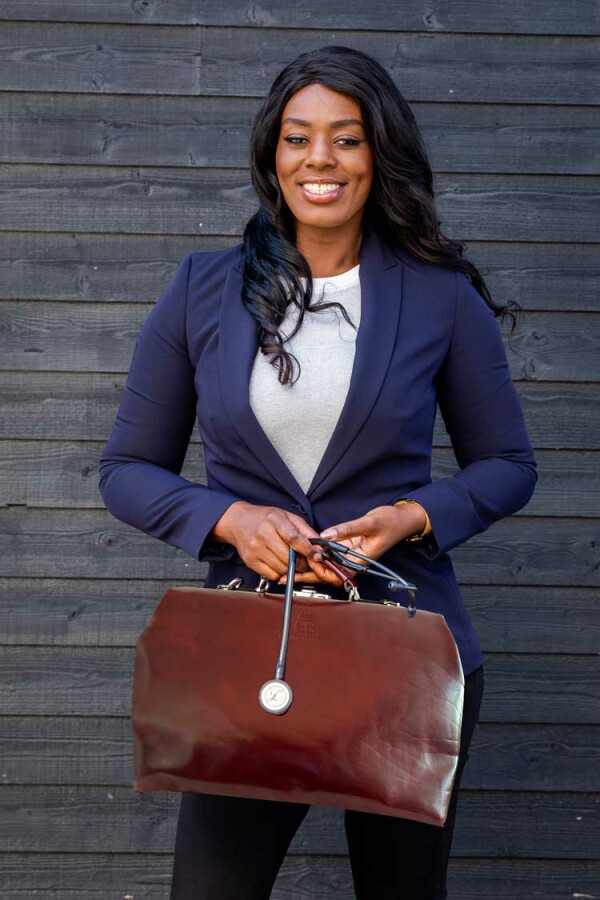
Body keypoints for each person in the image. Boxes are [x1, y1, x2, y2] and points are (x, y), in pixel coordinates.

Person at [99, 45, 537, 900]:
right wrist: (231, 521)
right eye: (298, 138)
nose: (320, 160)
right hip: (251, 654)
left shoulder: (439, 297)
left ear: (379, 152)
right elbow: (126, 469)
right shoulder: (202, 289)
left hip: (405, 653)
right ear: (274, 154)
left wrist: (413, 515)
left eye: (346, 137)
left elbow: (509, 465)